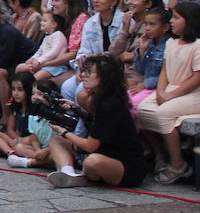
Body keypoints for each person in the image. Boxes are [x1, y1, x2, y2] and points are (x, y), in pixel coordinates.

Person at [136, 1, 200, 184]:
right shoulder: (172, 42)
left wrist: (171, 95)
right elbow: (165, 70)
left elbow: (199, 76)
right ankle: (160, 154)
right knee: (142, 111)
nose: (172, 21)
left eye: (176, 18)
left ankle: (178, 164)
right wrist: (161, 91)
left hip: (199, 94)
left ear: (189, 21)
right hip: (172, 90)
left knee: (164, 113)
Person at [46, 55, 147, 189]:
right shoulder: (99, 99)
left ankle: (80, 175)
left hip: (125, 165)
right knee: (56, 141)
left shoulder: (110, 104)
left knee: (92, 162)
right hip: (102, 153)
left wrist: (64, 132)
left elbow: (90, 146)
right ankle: (68, 173)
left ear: (105, 76)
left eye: (90, 72)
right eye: (84, 71)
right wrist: (77, 110)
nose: (84, 76)